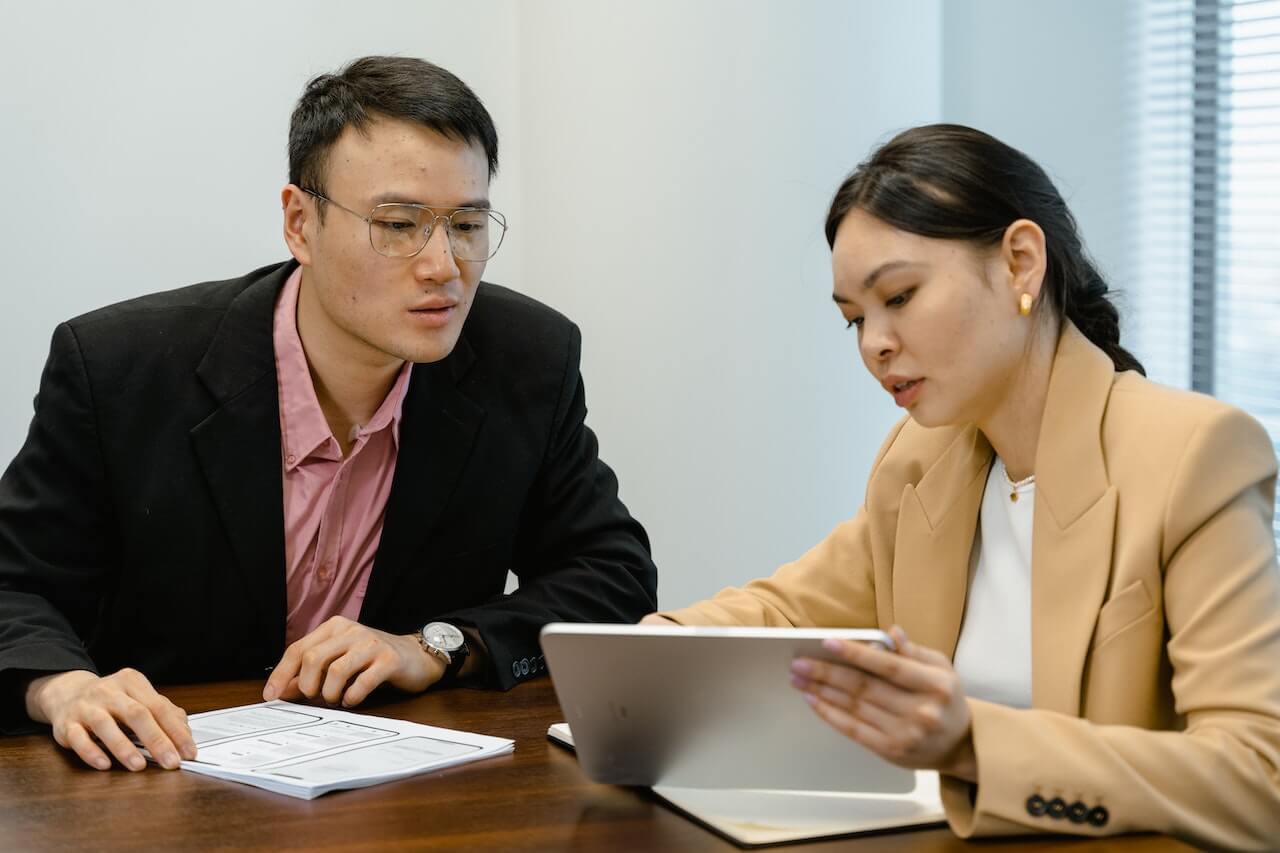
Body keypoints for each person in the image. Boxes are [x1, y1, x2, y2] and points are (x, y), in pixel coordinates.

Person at [0, 56, 656, 774]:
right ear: (299, 223)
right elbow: (14, 582)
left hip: (409, 793)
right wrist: (61, 687)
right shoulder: (121, 368)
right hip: (158, 778)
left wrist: (436, 644)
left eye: (468, 224)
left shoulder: (526, 359)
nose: (444, 264)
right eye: (400, 224)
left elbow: (612, 579)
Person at [645, 124, 1280, 848]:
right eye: (854, 319)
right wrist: (654, 646)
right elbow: (791, 608)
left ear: (1019, 262)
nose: (873, 344)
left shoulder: (1195, 453)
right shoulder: (922, 457)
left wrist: (973, 742)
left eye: (901, 296)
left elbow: (1259, 777)